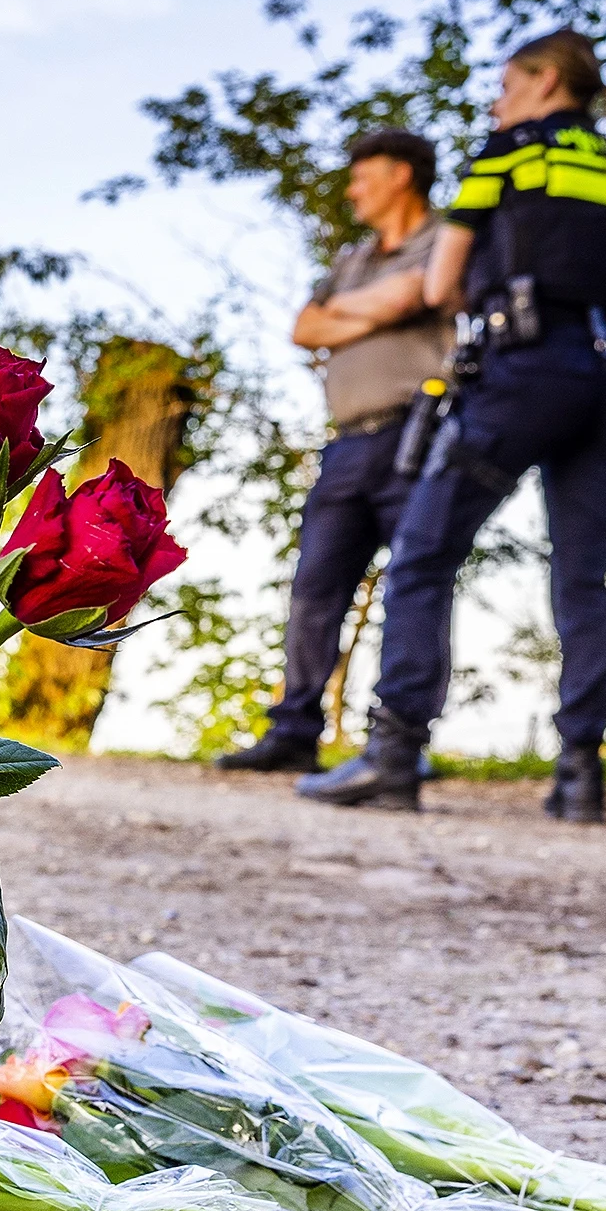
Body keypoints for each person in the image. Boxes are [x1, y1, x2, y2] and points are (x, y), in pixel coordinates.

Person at [298, 28, 606, 821]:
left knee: (424, 553)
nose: (498, 102)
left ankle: (393, 756)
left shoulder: (508, 153)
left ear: (541, 81)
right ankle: (580, 774)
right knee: (582, 573)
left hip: (520, 375)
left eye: (505, 84)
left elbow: (442, 279)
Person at [216, 128, 455, 773]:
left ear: (402, 174)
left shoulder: (445, 240)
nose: (352, 190)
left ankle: (401, 741)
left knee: (416, 581)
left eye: (362, 176)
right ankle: (293, 728)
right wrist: (380, 309)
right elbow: (304, 327)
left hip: (418, 431)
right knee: (315, 584)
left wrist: (361, 313)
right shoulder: (353, 258)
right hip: (346, 444)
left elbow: (416, 295)